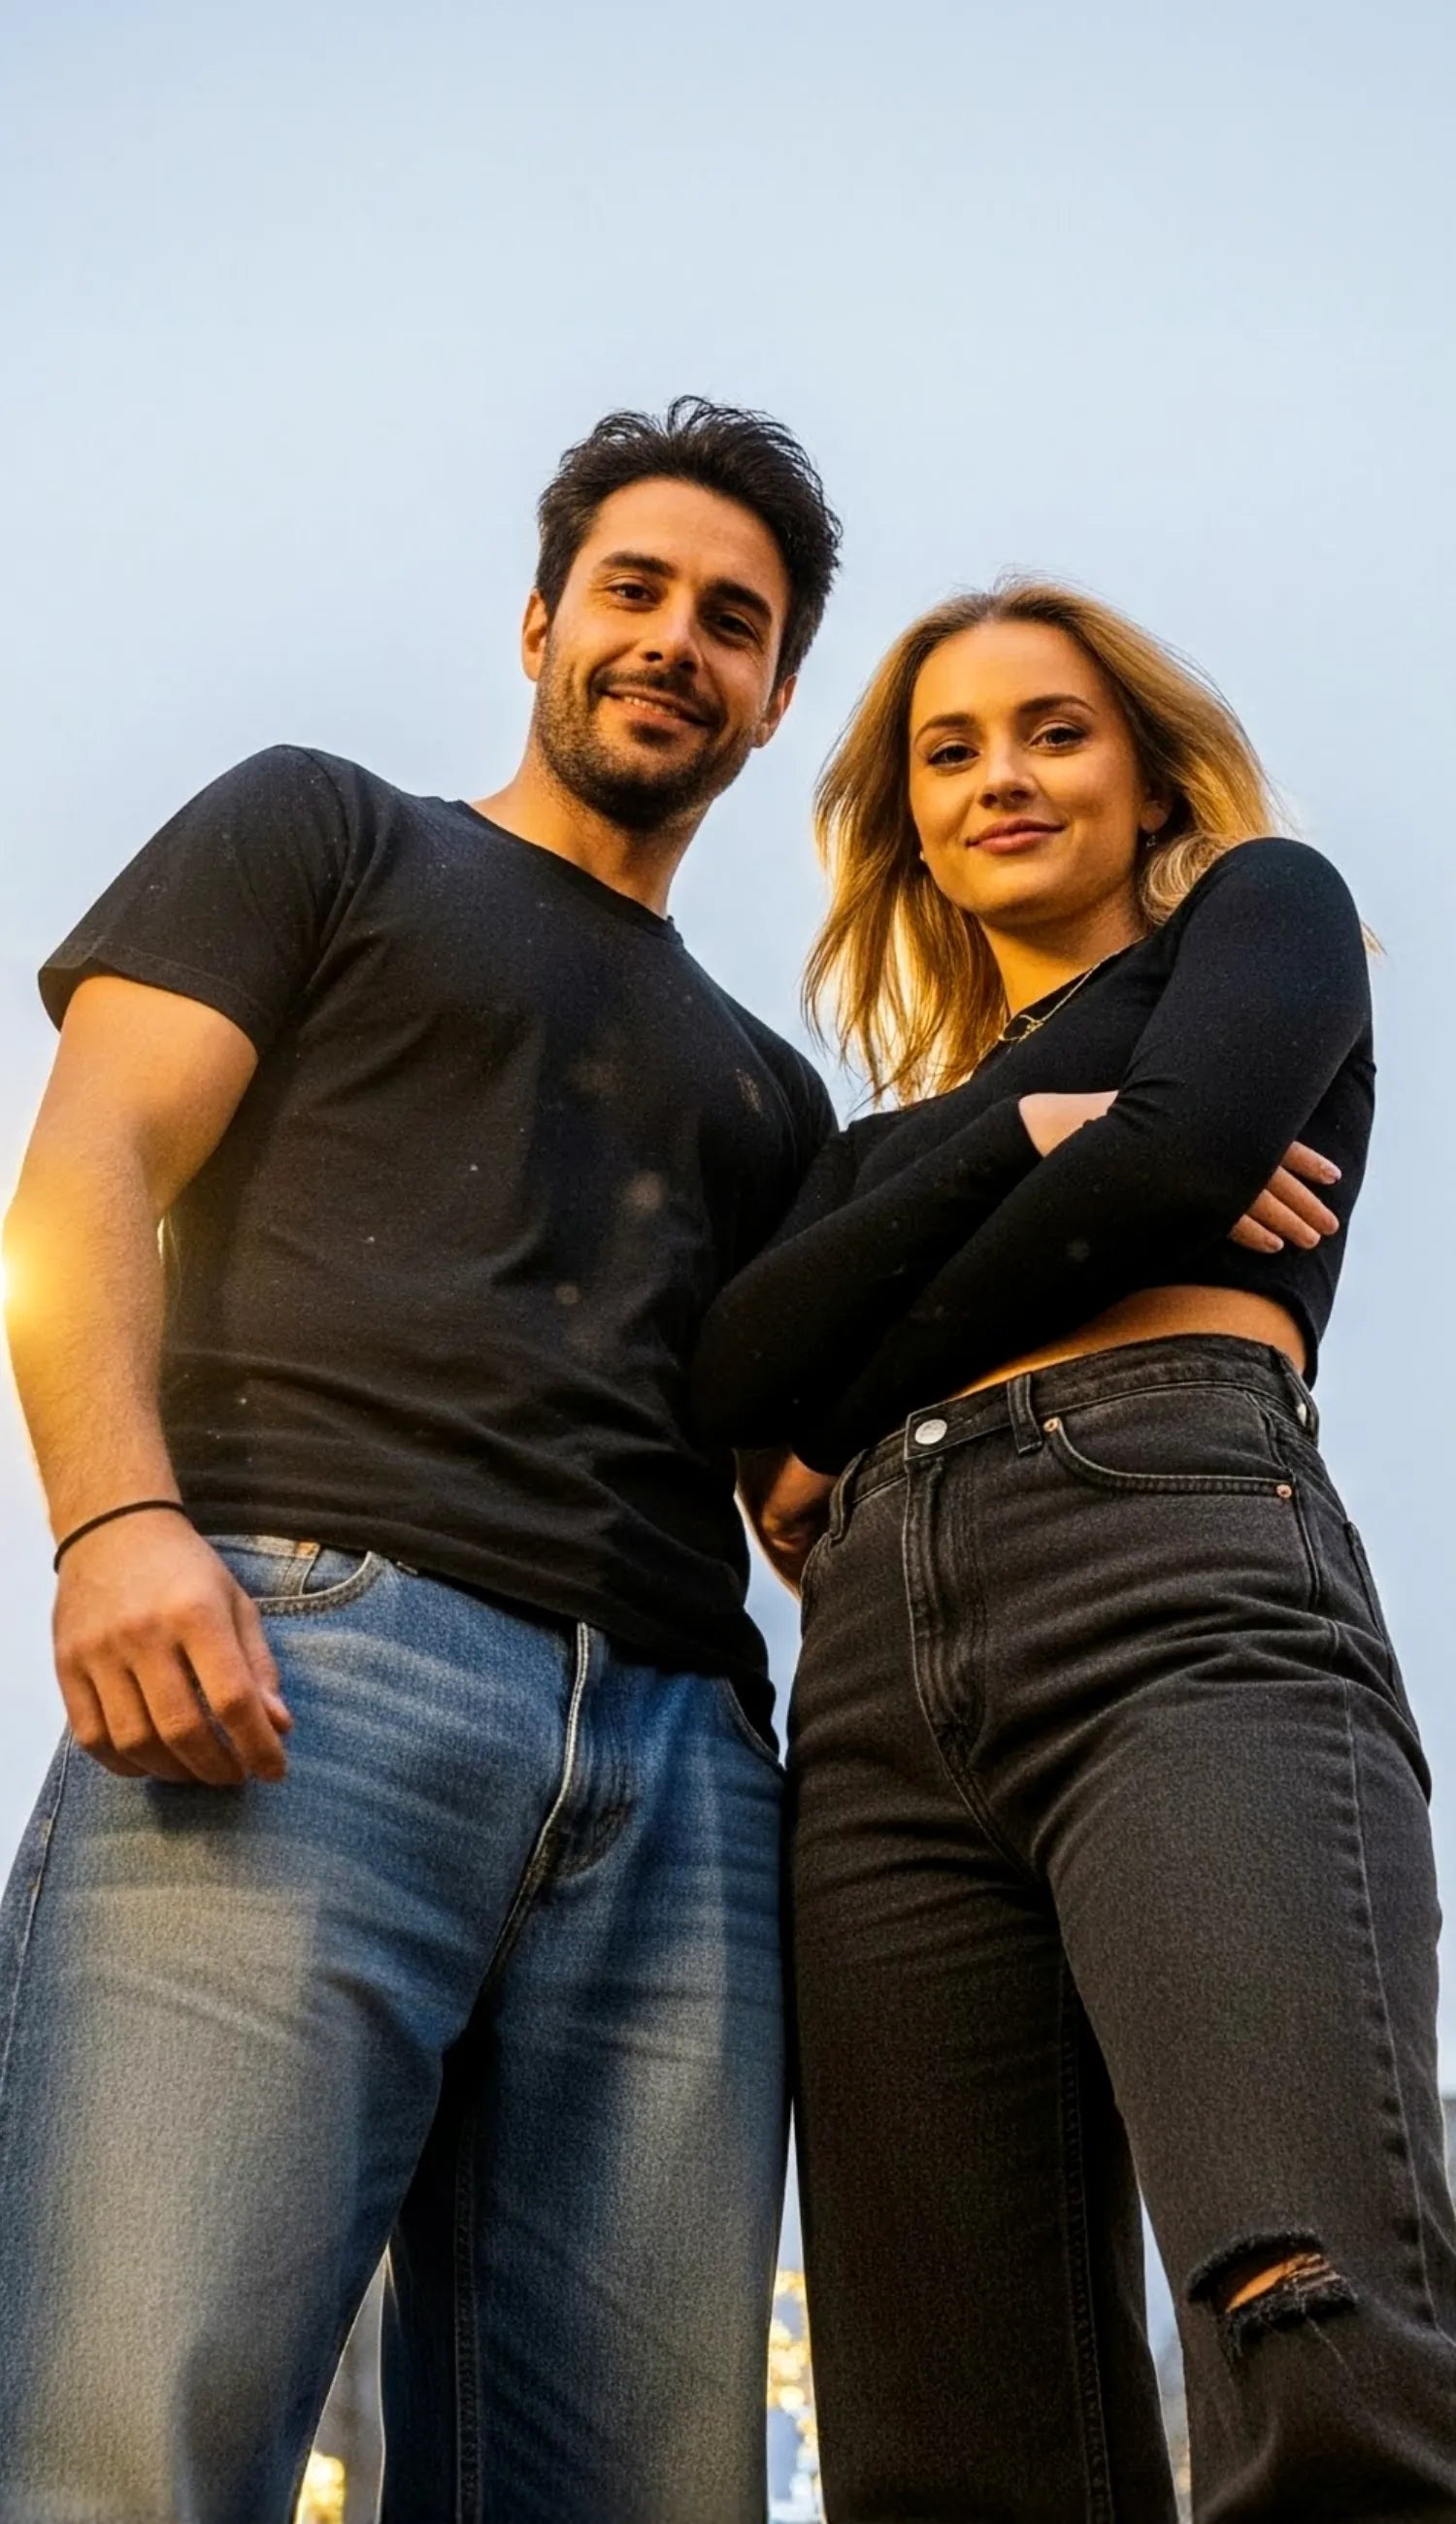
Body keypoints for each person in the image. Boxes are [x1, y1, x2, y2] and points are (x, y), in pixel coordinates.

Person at [0, 399, 842, 2524]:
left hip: (682, 1777)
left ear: (772, 698)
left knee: (651, 2491)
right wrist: (113, 1519)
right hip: (300, 1668)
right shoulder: (329, 832)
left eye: (731, 622)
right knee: (135, 2446)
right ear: (544, 619)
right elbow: (91, 1158)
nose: (674, 641)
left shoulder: (772, 1090)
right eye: (634, 592)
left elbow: (803, 1489)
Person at [692, 580, 1456, 2519]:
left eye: (1053, 729)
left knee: (1312, 2312)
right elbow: (736, 1366)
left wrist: (868, 1356)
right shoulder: (883, 1145)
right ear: (908, 827)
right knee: (941, 2429)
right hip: (870, 1690)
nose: (1002, 776)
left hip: (1170, 1569)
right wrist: (1032, 1145)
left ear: (1141, 771)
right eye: (949, 752)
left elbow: (1193, 1156)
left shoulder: (1260, 919)